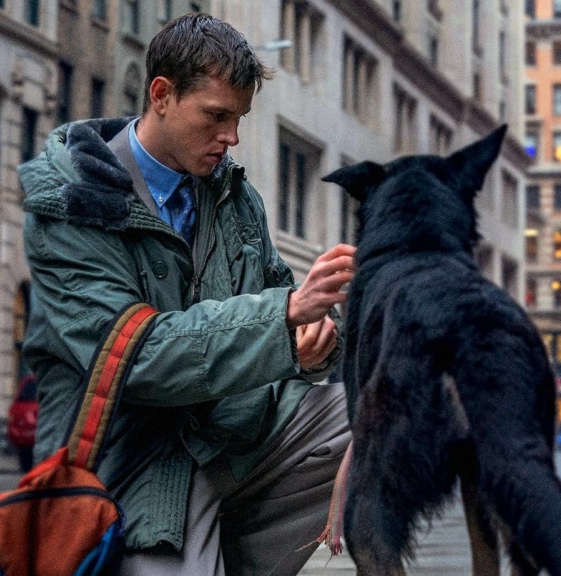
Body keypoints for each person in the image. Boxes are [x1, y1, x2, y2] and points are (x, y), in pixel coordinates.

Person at [18, 13, 356, 574]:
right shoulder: (70, 204)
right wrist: (285, 315)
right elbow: (140, 358)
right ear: (162, 95)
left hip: (239, 438)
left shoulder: (236, 198)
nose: (232, 137)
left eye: (240, 118)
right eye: (217, 117)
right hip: (135, 465)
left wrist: (316, 340)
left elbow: (282, 312)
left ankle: (234, 547)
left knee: (378, 416)